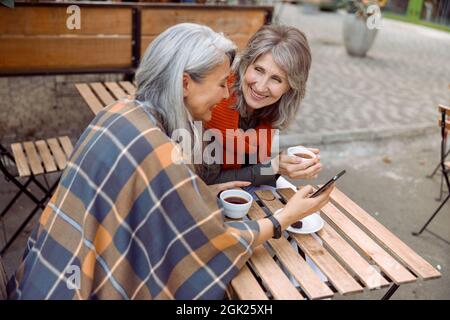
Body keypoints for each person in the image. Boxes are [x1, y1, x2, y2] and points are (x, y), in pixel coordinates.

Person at [7, 23, 333, 300]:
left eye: (276, 79)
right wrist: (285, 216)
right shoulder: (173, 140)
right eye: (224, 83)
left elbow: (187, 181)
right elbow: (212, 239)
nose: (227, 93)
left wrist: (271, 165)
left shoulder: (120, 112)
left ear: (291, 87)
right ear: (186, 83)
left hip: (41, 277)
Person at [202, 24, 321, 188]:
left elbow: (254, 170)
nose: (260, 86)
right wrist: (273, 167)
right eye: (258, 69)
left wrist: (285, 162)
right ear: (245, 64)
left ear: (290, 87)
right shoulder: (215, 102)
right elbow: (206, 181)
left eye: (276, 79)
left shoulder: (269, 110)